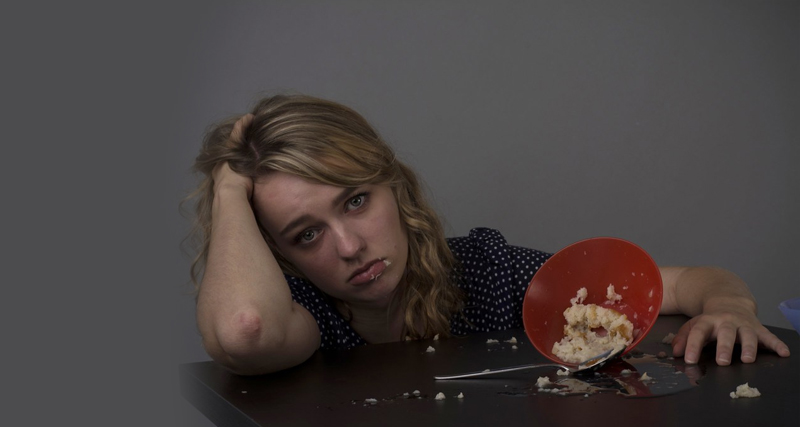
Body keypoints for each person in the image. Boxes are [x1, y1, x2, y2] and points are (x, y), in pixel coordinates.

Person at [185, 94, 790, 375]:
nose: (350, 246)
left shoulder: (487, 272)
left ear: (394, 186)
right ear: (277, 256)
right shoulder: (306, 315)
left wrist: (731, 306)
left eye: (356, 200)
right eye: (305, 234)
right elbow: (245, 330)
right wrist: (230, 191)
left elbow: (687, 283)